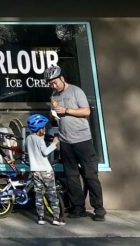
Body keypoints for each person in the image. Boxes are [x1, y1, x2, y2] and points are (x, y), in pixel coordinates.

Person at [44, 64, 106, 220]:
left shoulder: (76, 91)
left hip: (82, 140)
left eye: (55, 82)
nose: (53, 85)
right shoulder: (53, 96)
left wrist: (66, 110)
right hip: (65, 141)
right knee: (71, 176)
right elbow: (55, 117)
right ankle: (78, 208)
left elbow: (86, 111)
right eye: (50, 83)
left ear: (62, 79)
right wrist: (52, 116)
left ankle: (99, 209)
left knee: (90, 174)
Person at [25, 113, 65, 225]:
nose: (45, 129)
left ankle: (41, 218)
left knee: (39, 195)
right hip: (46, 171)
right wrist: (54, 143)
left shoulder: (28, 138)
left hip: (36, 171)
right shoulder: (40, 140)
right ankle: (56, 218)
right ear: (39, 129)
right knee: (52, 194)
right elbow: (45, 152)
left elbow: (28, 151)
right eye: (44, 127)